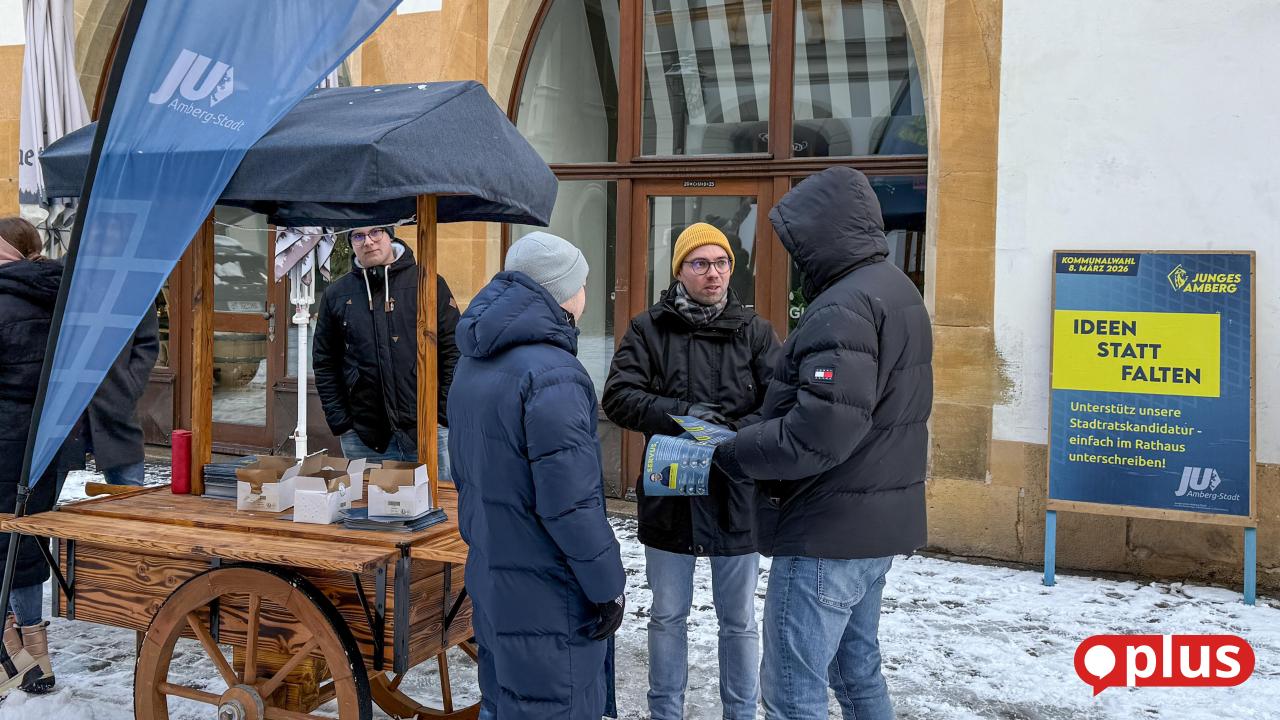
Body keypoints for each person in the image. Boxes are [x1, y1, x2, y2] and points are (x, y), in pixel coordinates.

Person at [713, 167, 933, 720]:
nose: (791, 253)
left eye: (795, 240)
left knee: (793, 692)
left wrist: (736, 450)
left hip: (825, 531)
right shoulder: (895, 289)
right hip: (871, 524)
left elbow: (820, 432)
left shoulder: (845, 304)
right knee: (858, 673)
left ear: (822, 233)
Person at [602, 222, 779, 720]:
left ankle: (741, 713)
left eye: (721, 262)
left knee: (740, 621)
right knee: (666, 616)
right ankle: (665, 713)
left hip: (735, 495)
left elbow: (779, 404)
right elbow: (618, 397)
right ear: (680, 270)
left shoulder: (755, 331)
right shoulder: (648, 328)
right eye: (700, 263)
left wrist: (734, 433)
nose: (714, 273)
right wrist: (682, 413)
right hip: (670, 495)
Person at [448, 231, 625, 720]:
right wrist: (607, 586)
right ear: (562, 291)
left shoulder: (473, 362)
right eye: (583, 282)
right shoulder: (554, 374)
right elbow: (570, 505)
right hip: (551, 591)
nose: (587, 292)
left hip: (494, 573)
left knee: (504, 702)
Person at [313, 224, 460, 477]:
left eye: (375, 232)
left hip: (428, 431)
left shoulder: (428, 284)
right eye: (358, 236)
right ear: (351, 243)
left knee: (437, 509)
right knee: (371, 512)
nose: (368, 242)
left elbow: (455, 351)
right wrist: (342, 423)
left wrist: (443, 414)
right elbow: (325, 362)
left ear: (390, 236)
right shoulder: (336, 295)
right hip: (365, 437)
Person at [0, 218, 76, 695]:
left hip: (4, 436)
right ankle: (34, 651)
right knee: (25, 540)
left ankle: (15, 654)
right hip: (47, 439)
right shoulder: (61, 292)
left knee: (4, 541)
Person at [85, 301, 159, 485]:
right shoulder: (63, 278)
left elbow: (147, 342)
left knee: (130, 499)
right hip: (61, 408)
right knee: (37, 507)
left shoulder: (132, 282)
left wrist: (129, 386)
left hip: (116, 403)